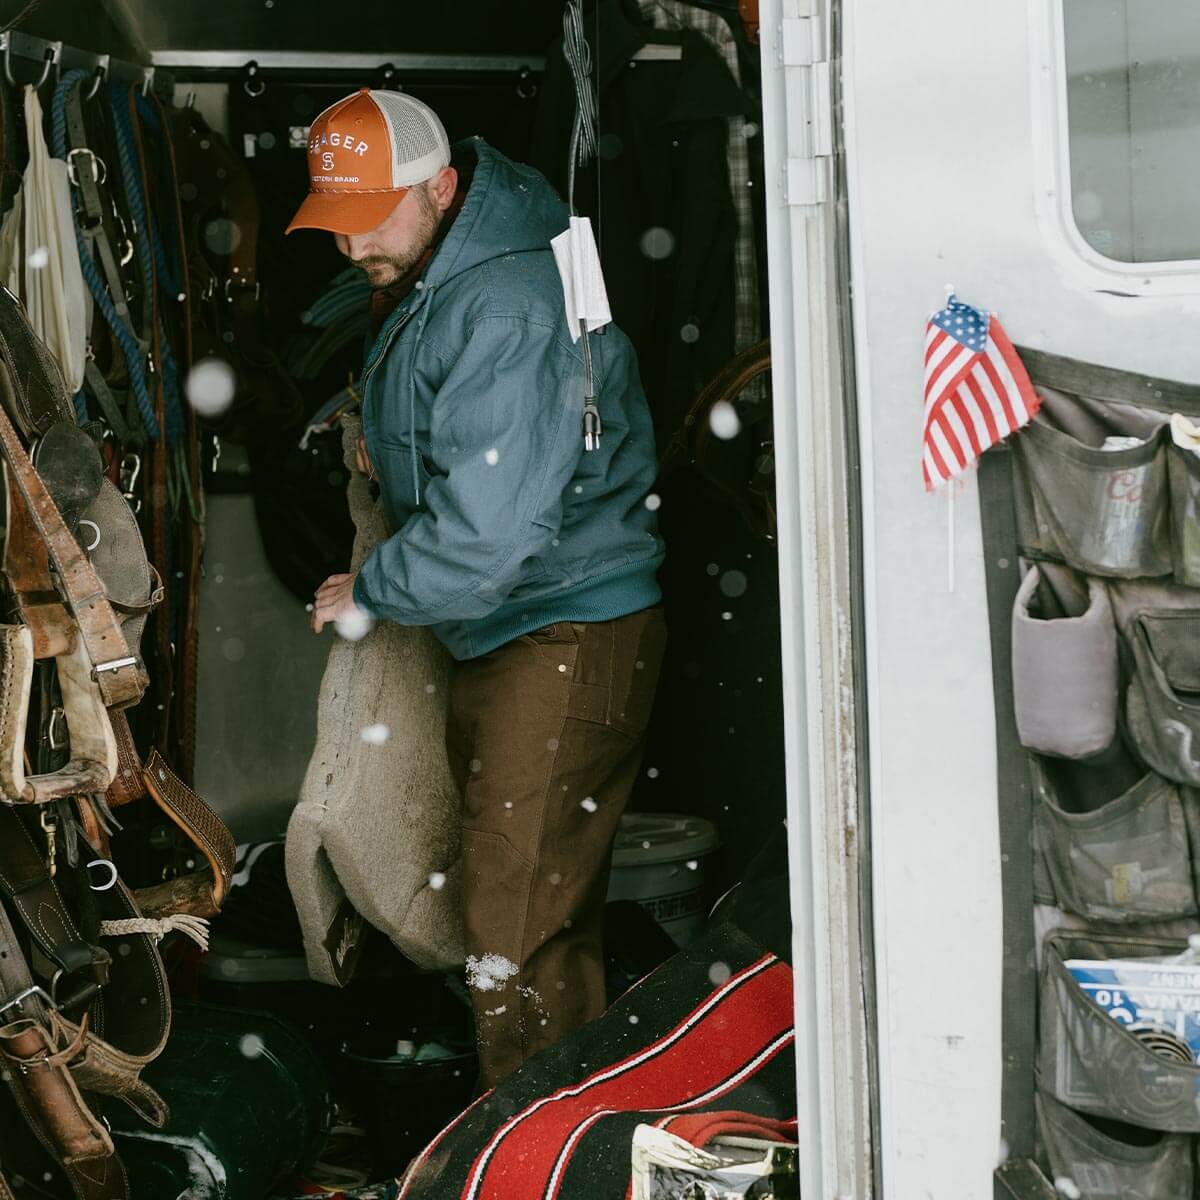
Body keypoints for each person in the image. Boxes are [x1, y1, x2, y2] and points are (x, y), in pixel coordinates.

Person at [287, 89, 667, 1088]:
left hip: (559, 626)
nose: (351, 242)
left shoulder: (500, 301)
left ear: (442, 187)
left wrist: (376, 588)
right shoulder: (445, 271)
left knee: (515, 928)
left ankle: (531, 1156)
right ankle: (541, 1135)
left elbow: (489, 532)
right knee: (522, 907)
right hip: (521, 623)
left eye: (371, 214)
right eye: (336, 221)